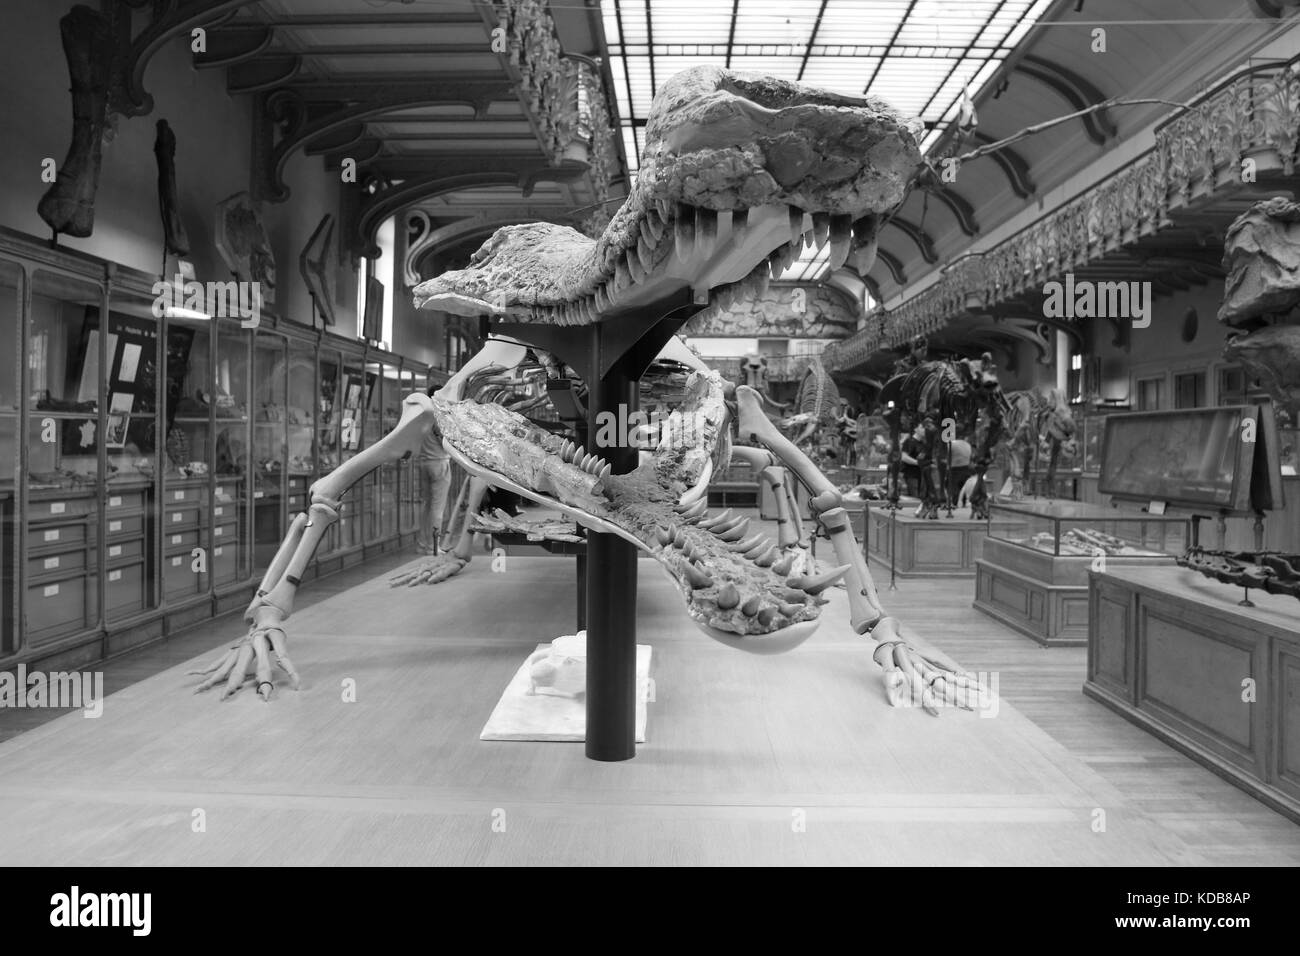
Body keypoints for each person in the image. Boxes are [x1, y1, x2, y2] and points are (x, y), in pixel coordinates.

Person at [416, 388, 453, 555]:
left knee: (427, 505)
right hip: (439, 463)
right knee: (438, 507)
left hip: (423, 462)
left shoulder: (421, 415)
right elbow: (443, 440)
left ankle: (422, 544)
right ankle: (433, 546)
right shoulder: (437, 415)